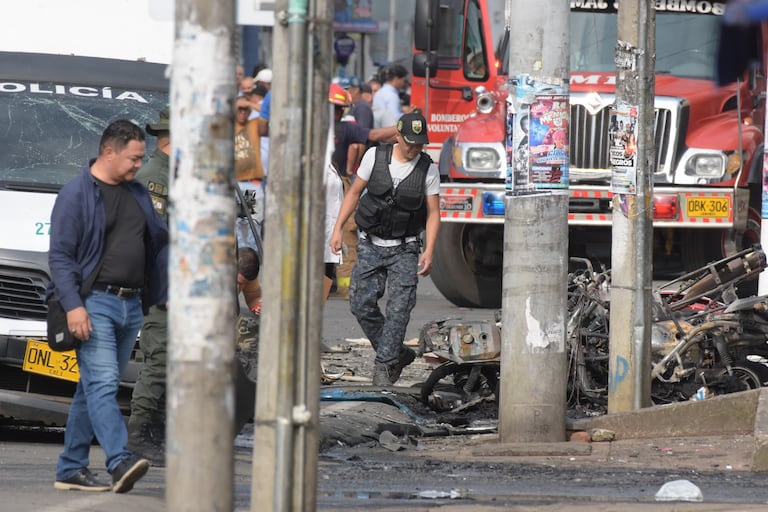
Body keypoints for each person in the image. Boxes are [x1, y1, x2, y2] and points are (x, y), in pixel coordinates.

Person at [49, 119, 168, 493]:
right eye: (132, 159)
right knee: (102, 384)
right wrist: (74, 306)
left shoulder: (137, 193)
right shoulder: (76, 194)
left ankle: (71, 467)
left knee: (93, 388)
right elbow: (60, 257)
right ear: (108, 151)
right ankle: (119, 460)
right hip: (93, 302)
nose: (138, 165)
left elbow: (157, 242)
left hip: (130, 306)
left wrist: (164, 293)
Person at [329, 111, 441, 386]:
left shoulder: (428, 169)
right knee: (361, 304)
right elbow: (354, 193)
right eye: (409, 142)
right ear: (398, 136)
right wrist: (337, 229)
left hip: (405, 247)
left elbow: (433, 213)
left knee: (399, 309)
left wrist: (429, 251)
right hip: (370, 243)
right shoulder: (374, 157)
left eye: (419, 143)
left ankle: (384, 367)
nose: (414, 148)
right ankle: (396, 353)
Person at [126, 109, 172, 467]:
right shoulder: (155, 177)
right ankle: (140, 432)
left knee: (172, 360)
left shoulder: (177, 175)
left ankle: (157, 431)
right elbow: (154, 239)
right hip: (161, 285)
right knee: (159, 359)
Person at [329, 83, 397, 180]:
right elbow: (373, 136)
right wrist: (402, 125)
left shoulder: (308, 126)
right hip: (336, 180)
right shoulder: (345, 128)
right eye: (340, 108)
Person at [235, 95, 265, 250]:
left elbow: (269, 113)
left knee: (252, 226)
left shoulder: (253, 125)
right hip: (233, 185)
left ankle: (253, 265)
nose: (242, 113)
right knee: (235, 228)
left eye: (245, 110)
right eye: (239, 110)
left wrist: (248, 103)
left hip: (251, 185)